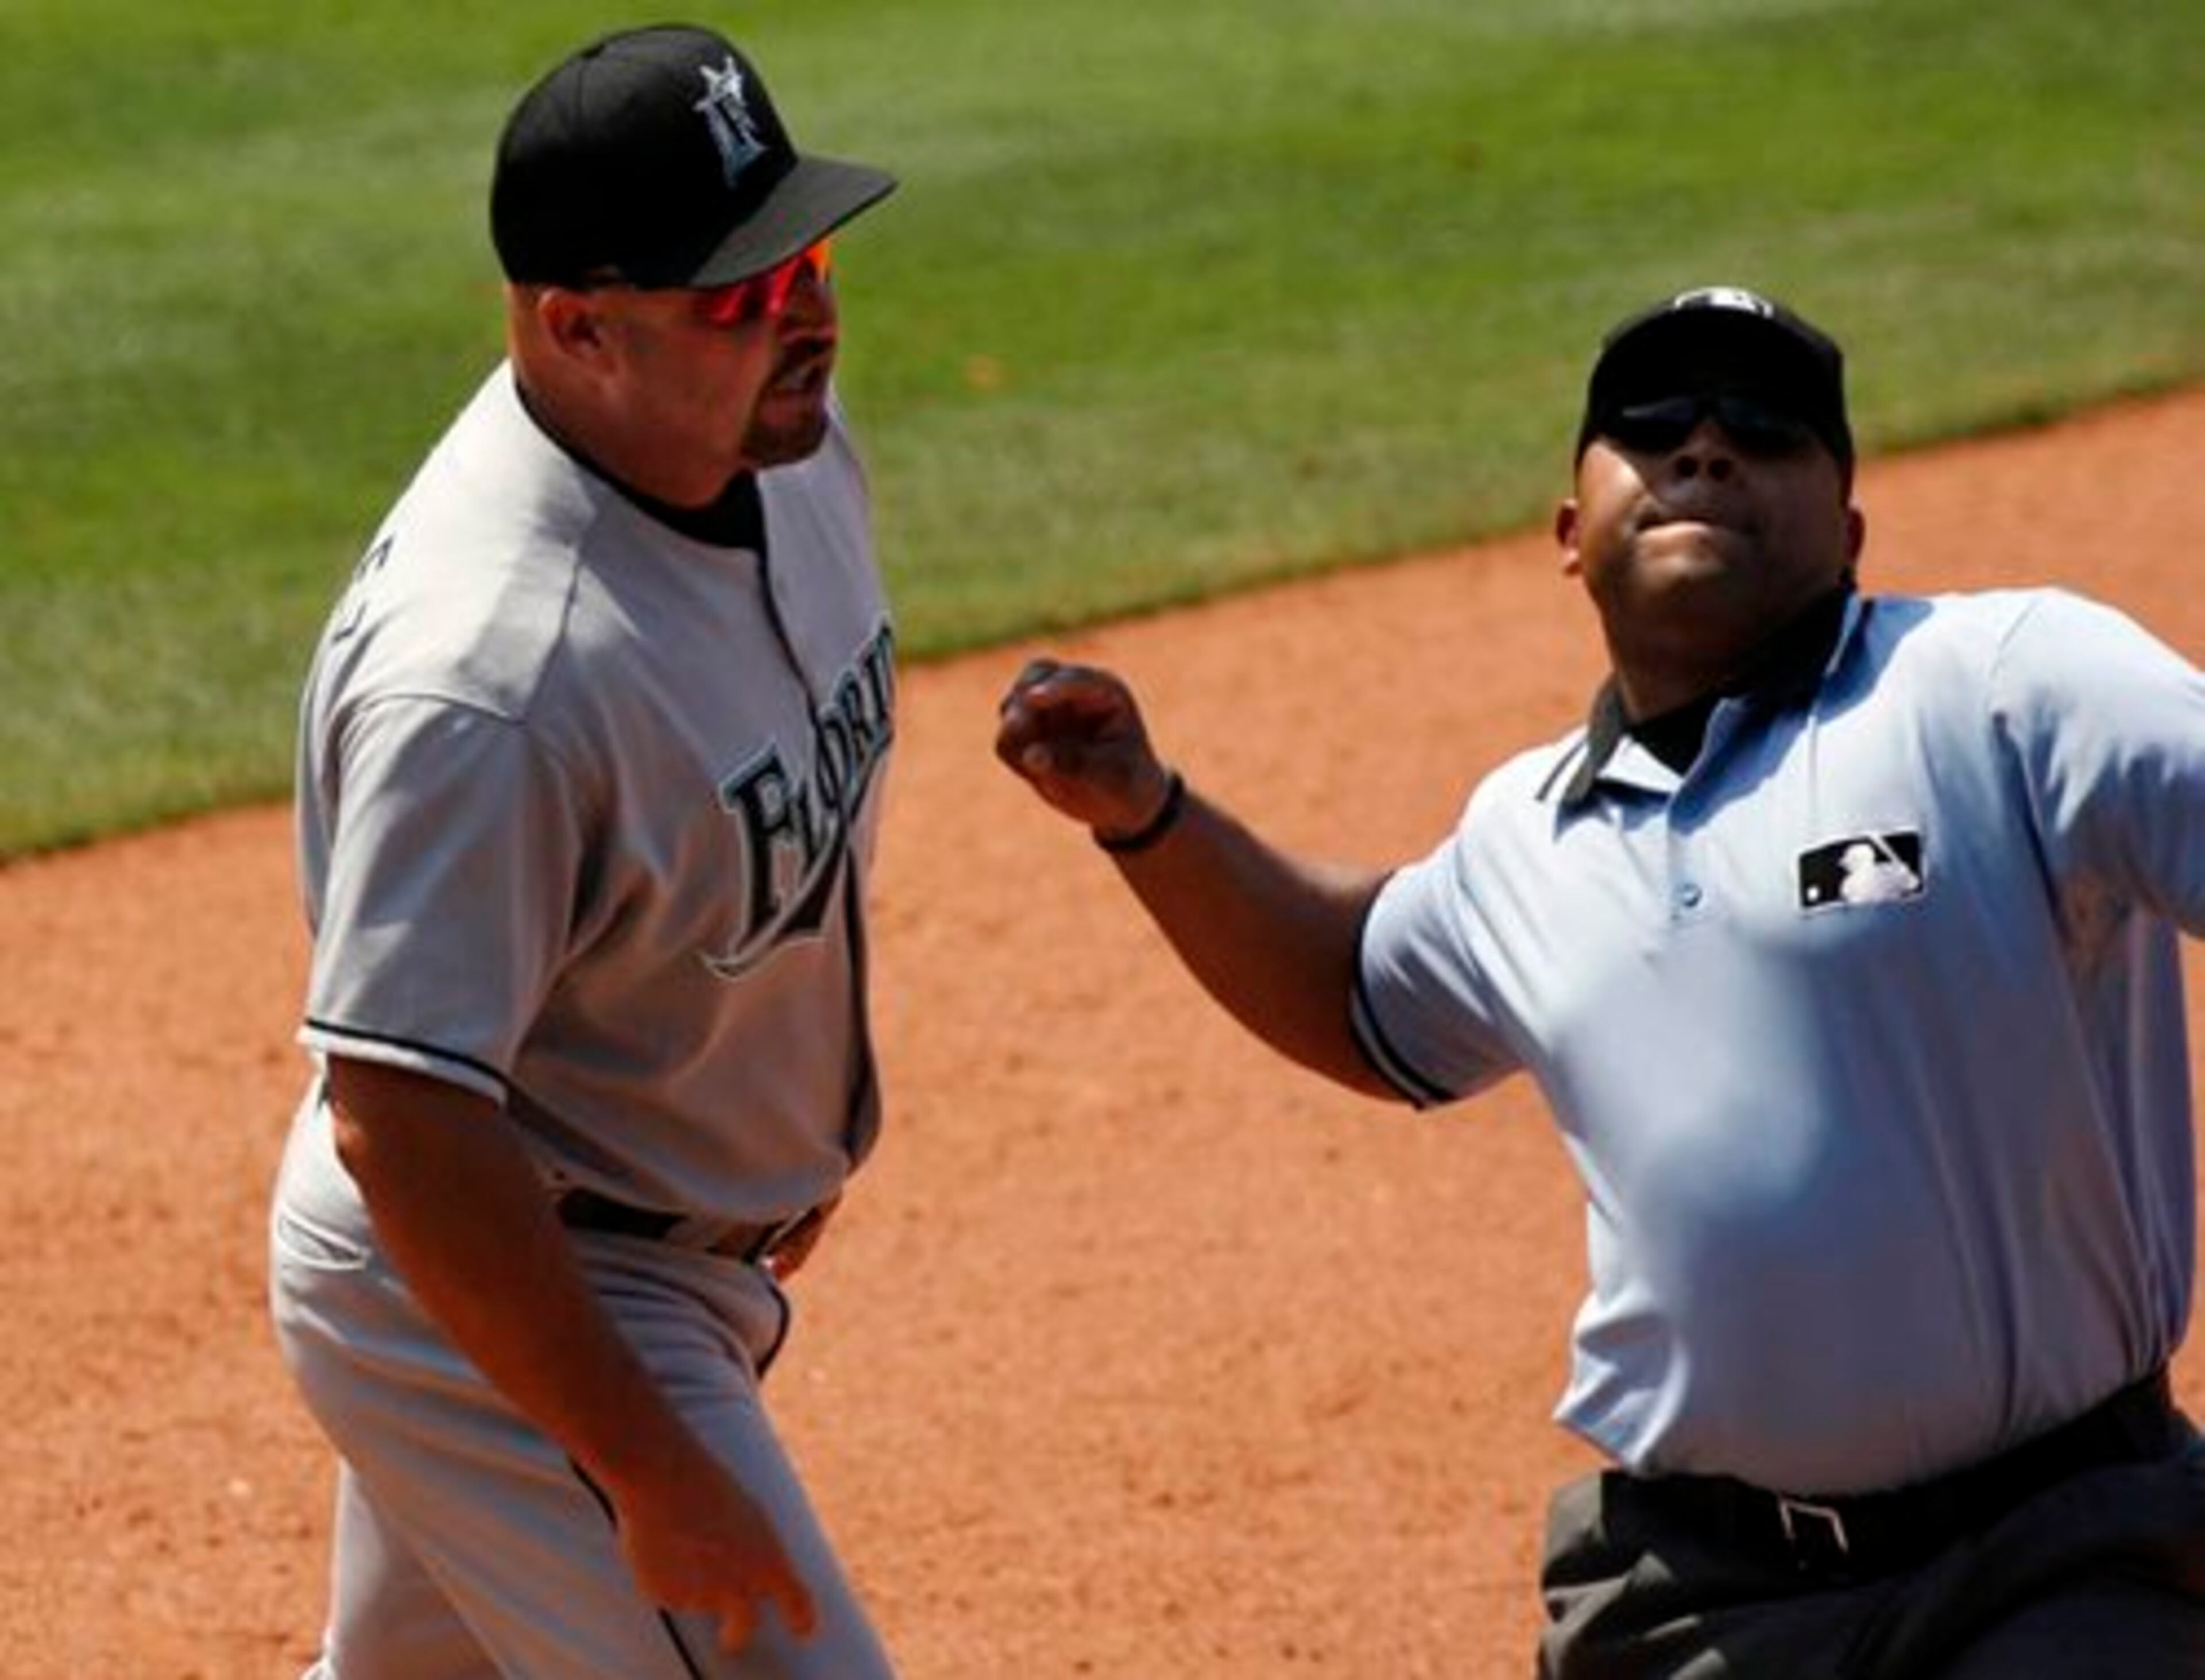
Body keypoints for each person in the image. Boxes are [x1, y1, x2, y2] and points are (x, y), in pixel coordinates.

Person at [995, 285, 2205, 1677]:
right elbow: (1354, 990)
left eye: (1767, 423)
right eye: (1651, 422)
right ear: (1570, 534)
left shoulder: (2000, 684)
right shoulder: (1530, 830)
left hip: (2052, 1556)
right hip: (1699, 1594)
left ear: (1852, 530)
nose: (1706, 446)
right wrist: (1148, 815)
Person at [269, 23, 903, 1679]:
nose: (809, 315)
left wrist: (759, 1132)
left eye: (808, 255)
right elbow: (402, 1117)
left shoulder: (788, 446)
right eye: (742, 294)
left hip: (631, 1221)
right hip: (506, 1278)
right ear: (577, 326)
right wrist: (648, 1462)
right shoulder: (485, 675)